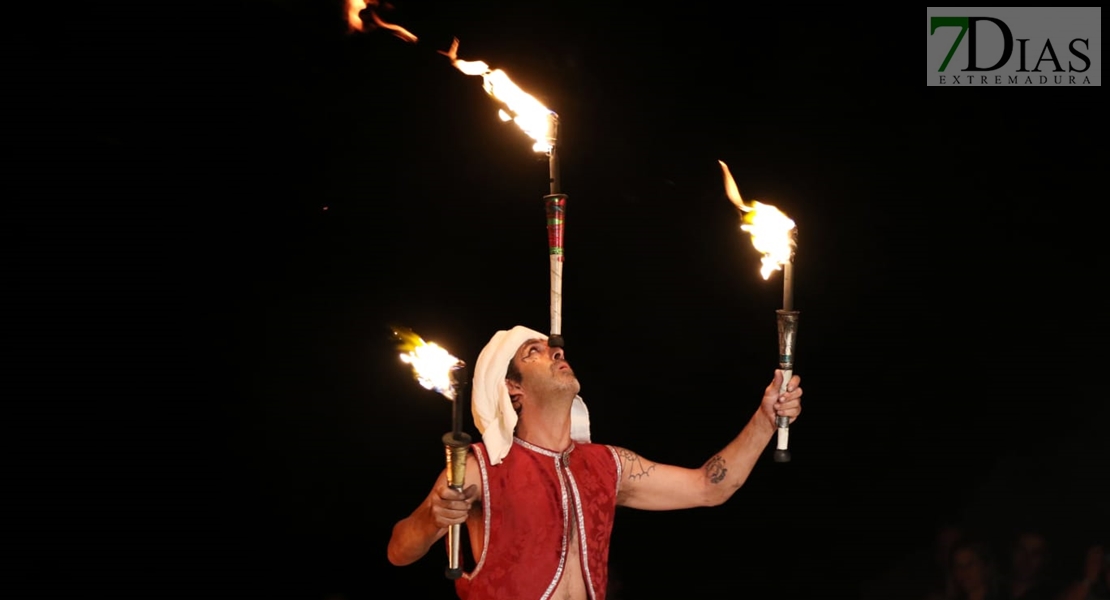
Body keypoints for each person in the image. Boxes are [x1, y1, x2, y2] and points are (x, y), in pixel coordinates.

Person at [386, 325, 803, 600]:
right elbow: (399, 551)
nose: (555, 352)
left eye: (552, 347)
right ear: (513, 388)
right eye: (535, 352)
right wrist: (433, 518)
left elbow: (709, 488)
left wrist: (766, 419)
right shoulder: (479, 467)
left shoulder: (608, 463)